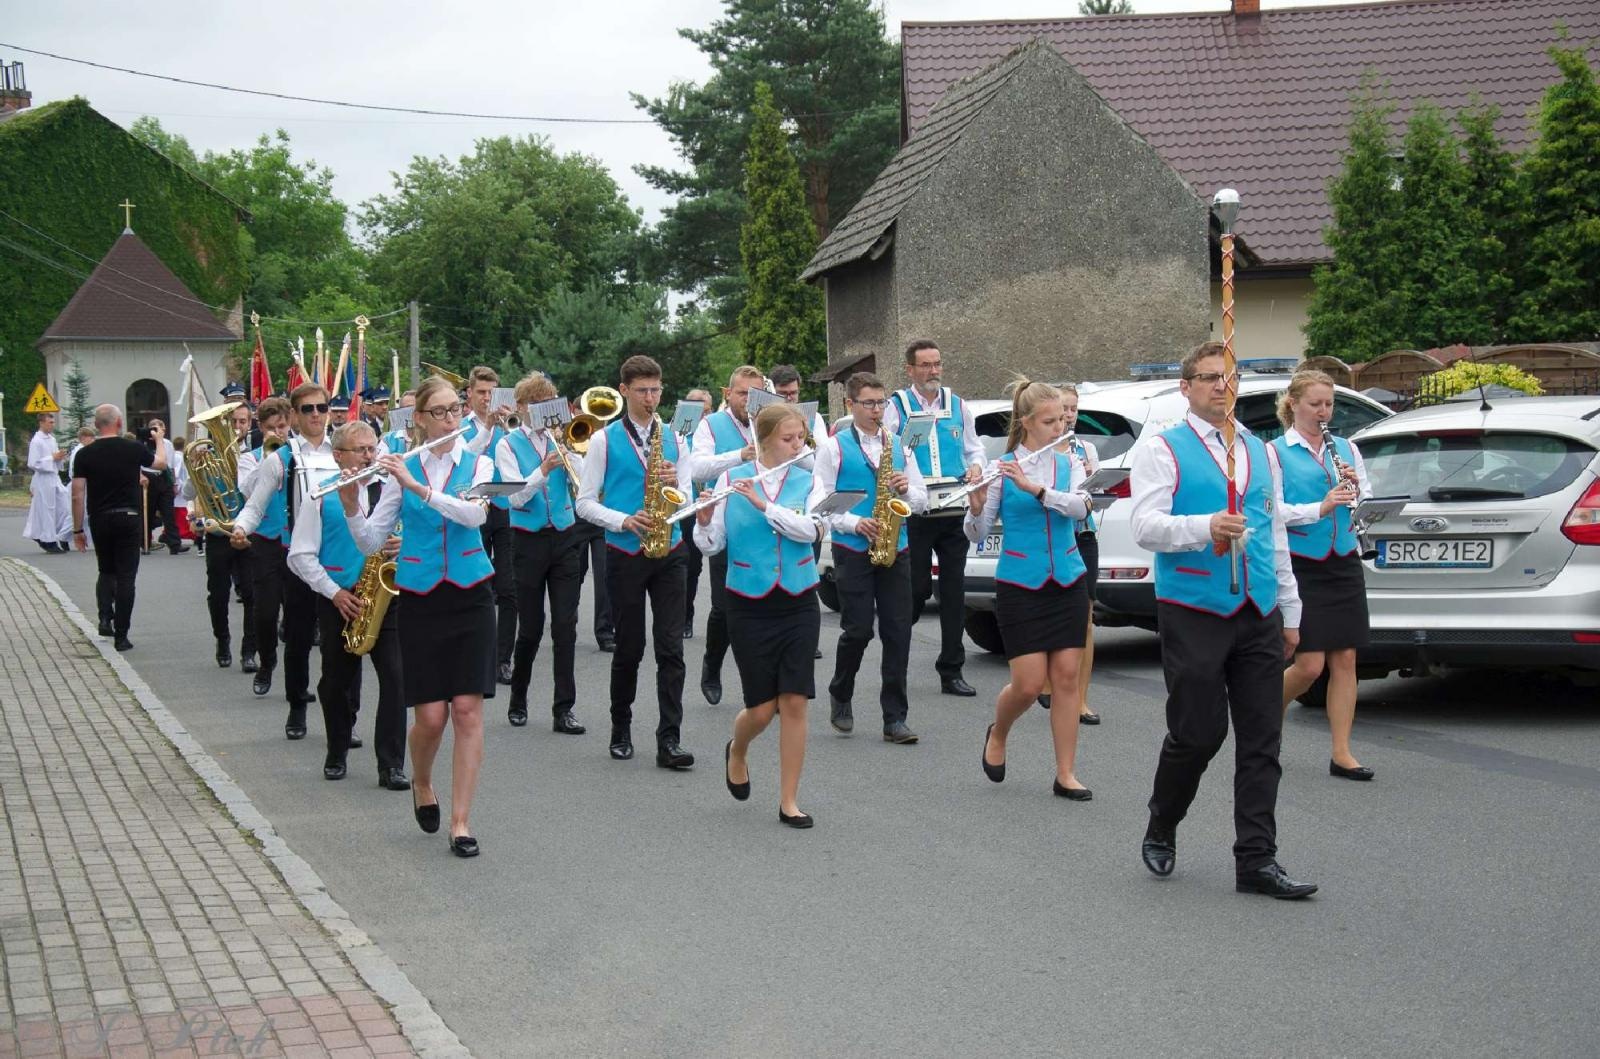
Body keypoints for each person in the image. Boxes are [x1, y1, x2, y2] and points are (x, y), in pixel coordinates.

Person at [1129, 341, 1316, 899]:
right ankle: (1163, 821)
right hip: (1195, 610)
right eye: (1208, 377)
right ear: (1185, 387)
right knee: (1198, 733)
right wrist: (1204, 525)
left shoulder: (1259, 451)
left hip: (1257, 608)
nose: (1220, 387)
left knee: (1263, 738)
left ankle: (1256, 860)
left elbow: (1274, 530)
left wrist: (1289, 607)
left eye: (1228, 378)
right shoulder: (1163, 449)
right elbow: (1145, 526)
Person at [347, 376, 495, 856]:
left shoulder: (480, 461)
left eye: (456, 410)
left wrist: (420, 489)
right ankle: (422, 782)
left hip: (471, 592)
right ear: (420, 420)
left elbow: (474, 516)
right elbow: (370, 540)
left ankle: (462, 822)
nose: (452, 419)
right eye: (441, 412)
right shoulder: (398, 470)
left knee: (468, 711)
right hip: (422, 595)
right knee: (431, 718)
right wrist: (351, 505)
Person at [695, 403, 824, 828]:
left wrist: (764, 505)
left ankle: (790, 801)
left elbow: (811, 530)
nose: (797, 445)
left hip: (799, 598)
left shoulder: (809, 480)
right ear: (763, 440)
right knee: (762, 709)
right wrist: (704, 519)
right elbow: (711, 545)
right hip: (748, 602)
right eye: (788, 439)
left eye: (801, 437)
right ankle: (738, 749)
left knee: (794, 701)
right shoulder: (730, 480)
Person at [966, 379, 1094, 799]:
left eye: (1062, 418)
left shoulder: (1070, 462)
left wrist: (1037, 489)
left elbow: (1079, 508)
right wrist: (978, 504)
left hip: (1069, 577)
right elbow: (977, 534)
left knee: (1067, 678)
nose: (1060, 427)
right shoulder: (1001, 470)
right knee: (1027, 682)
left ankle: (1065, 772)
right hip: (1021, 581)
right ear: (1026, 424)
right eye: (1050, 420)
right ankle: (998, 732)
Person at [575, 354, 696, 769]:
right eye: (643, 391)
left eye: (656, 390)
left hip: (671, 549)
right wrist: (624, 520)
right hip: (625, 552)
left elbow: (690, 499)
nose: (651, 398)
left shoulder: (675, 437)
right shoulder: (604, 440)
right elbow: (585, 503)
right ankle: (621, 728)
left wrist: (676, 485)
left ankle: (670, 739)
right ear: (624, 390)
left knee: (671, 648)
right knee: (629, 647)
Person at [289, 420, 410, 790]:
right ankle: (337, 749)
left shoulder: (393, 490)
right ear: (338, 455)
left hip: (387, 595)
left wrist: (402, 547)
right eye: (361, 450)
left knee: (396, 680)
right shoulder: (322, 494)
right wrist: (333, 593)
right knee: (336, 682)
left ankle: (390, 765)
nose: (370, 456)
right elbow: (300, 555)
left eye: (373, 448)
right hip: (342, 598)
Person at [814, 371, 927, 744]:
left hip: (897, 546)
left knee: (898, 633)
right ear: (851, 405)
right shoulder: (833, 447)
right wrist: (854, 522)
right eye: (869, 403)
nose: (877, 410)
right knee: (858, 630)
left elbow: (922, 501)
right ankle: (840, 690)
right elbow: (822, 505)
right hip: (853, 549)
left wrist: (906, 489)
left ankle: (894, 718)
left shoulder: (899, 445)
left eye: (881, 403)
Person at [1271, 370, 1374, 781]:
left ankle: (1342, 752)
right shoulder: (1274, 453)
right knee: (1309, 665)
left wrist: (1355, 492)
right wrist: (1320, 506)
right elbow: (1271, 511)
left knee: (1346, 658)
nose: (1323, 412)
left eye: (1328, 404)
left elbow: (1365, 498)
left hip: (1342, 557)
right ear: (1293, 404)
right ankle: (1266, 716)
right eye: (1315, 404)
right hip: (1302, 562)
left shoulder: (1346, 448)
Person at [885, 340, 986, 698]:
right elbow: (888, 450)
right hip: (915, 509)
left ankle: (951, 669)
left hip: (954, 506)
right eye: (925, 365)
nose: (933, 371)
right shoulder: (896, 406)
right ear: (910, 370)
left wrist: (976, 465)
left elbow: (974, 448)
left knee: (954, 592)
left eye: (937, 364)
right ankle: (896, 650)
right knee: (915, 589)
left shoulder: (957, 404)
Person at [231, 387, 333, 739]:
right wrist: (241, 528)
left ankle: (343, 717)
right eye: (308, 409)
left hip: (339, 561)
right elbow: (255, 505)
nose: (316, 415)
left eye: (322, 407)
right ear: (294, 416)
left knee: (342, 646)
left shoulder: (344, 451)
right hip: (297, 559)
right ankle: (297, 708)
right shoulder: (281, 458)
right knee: (299, 637)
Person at [496, 373, 586, 735]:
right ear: (521, 407)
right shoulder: (508, 444)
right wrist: (543, 470)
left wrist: (569, 452)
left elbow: (584, 486)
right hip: (528, 540)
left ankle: (564, 709)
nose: (543, 412)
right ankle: (518, 698)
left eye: (548, 404)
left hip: (565, 537)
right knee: (530, 629)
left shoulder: (562, 439)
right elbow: (515, 496)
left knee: (566, 626)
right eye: (536, 405)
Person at [687, 365, 766, 705]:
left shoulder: (769, 421)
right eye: (743, 393)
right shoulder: (711, 424)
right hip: (722, 519)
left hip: (763, 520)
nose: (749, 401)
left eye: (755, 394)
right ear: (727, 394)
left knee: (765, 607)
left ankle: (763, 685)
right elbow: (697, 468)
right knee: (724, 607)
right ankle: (712, 665)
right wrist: (741, 454)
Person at [1036, 386, 1106, 726]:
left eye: (1074, 409)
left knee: (1086, 619)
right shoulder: (1041, 452)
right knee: (1051, 611)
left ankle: (1081, 698)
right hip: (1050, 536)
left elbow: (1090, 495)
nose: (1069, 415)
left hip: (1083, 533)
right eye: (1064, 408)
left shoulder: (1085, 448)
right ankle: (1048, 682)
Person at [71, 404, 160, 650]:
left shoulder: (85, 454)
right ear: (119, 423)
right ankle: (122, 635)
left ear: (97, 425)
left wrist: (78, 530)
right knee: (126, 577)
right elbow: (160, 463)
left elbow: (77, 494)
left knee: (106, 570)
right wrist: (160, 440)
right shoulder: (133, 448)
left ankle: (104, 618)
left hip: (100, 518)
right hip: (129, 517)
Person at [182, 400, 259, 671]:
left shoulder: (255, 455)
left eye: (242, 422)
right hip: (218, 532)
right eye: (232, 422)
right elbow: (187, 494)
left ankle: (249, 650)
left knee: (252, 594)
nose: (237, 427)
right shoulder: (207, 454)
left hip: (248, 532)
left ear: (250, 424)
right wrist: (194, 468)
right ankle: (222, 641)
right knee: (217, 593)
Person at [462, 366, 519, 685]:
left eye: (492, 392)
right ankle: (475, 653)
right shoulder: (461, 428)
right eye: (482, 392)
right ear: (470, 394)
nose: (487, 398)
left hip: (506, 509)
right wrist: (486, 426)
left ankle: (502, 659)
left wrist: (511, 426)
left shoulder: (510, 425)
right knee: (476, 585)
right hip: (474, 509)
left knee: (509, 589)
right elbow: (464, 460)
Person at [680, 387, 716, 636]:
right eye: (693, 409)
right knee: (678, 564)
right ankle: (680, 616)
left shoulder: (712, 434)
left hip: (704, 506)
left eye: (704, 411)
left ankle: (687, 615)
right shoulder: (676, 434)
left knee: (694, 567)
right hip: (682, 507)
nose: (700, 416)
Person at [24, 412, 72, 552]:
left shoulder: (51, 439)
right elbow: (33, 463)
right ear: (42, 423)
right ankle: (48, 540)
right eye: (50, 422)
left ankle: (56, 534)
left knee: (63, 506)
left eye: (53, 422)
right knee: (47, 509)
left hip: (54, 477)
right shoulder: (37, 440)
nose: (52, 425)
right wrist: (52, 458)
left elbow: (55, 457)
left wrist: (60, 457)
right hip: (43, 478)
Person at [141, 420, 189, 554]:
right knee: (148, 512)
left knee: (169, 513)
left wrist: (174, 483)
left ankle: (174, 544)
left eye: (160, 428)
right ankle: (145, 542)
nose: (157, 430)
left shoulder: (167, 444)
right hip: (148, 477)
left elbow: (171, 466)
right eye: (153, 428)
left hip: (163, 477)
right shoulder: (144, 443)